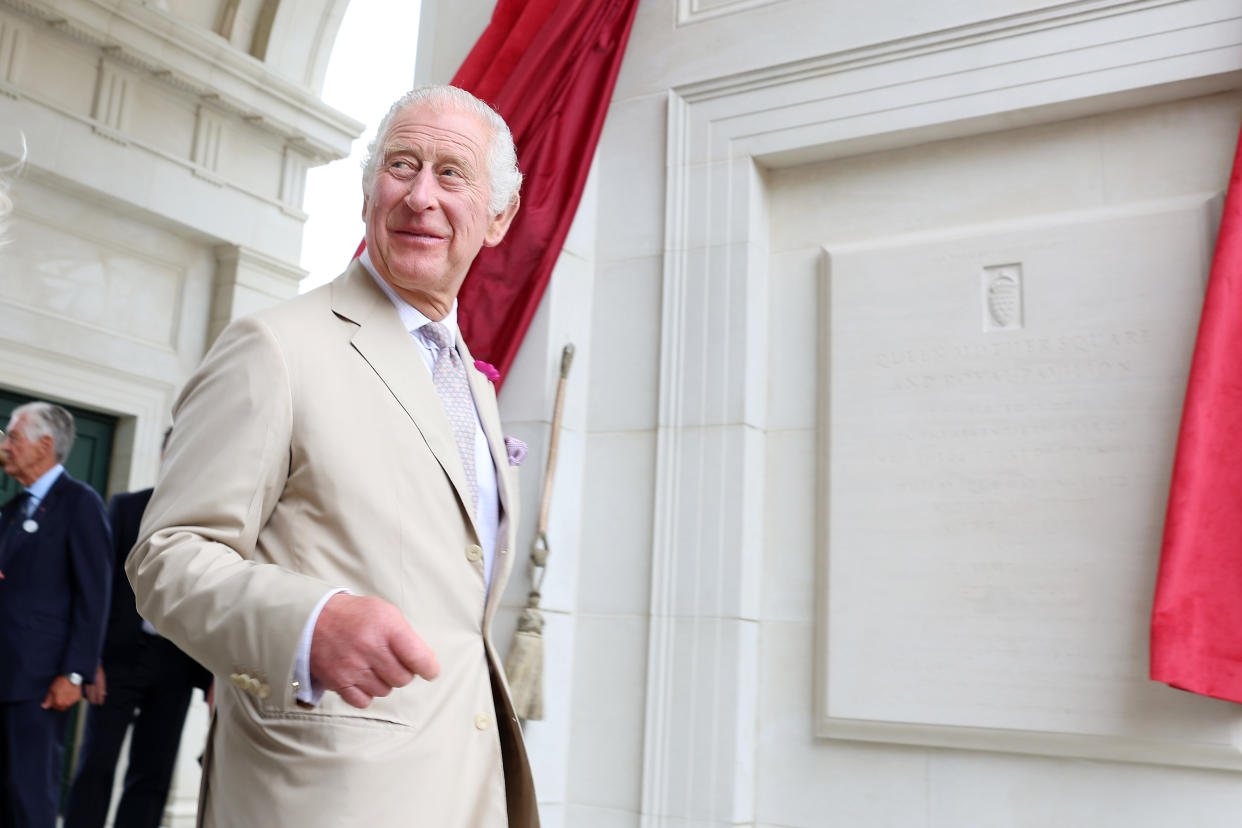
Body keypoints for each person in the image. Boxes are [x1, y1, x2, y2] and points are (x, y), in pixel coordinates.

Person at [127, 85, 539, 826]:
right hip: (321, 798)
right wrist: (308, 623)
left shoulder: (471, 387)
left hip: (465, 793)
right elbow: (169, 556)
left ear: (499, 217)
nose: (420, 196)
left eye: (452, 174)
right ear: (367, 191)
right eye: (401, 165)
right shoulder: (274, 346)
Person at [64, 428, 211, 828]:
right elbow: (98, 587)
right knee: (96, 763)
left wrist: (212, 676)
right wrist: (90, 659)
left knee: (153, 772)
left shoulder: (209, 520)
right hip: (116, 660)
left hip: (176, 662)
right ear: (164, 454)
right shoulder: (126, 508)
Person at [0, 402, 111, 828]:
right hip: (4, 674)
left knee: (30, 796)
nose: (6, 446)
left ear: (44, 445)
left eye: (14, 437)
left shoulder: (80, 503)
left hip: (41, 684)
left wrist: (75, 673)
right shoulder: (11, 511)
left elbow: (94, 595)